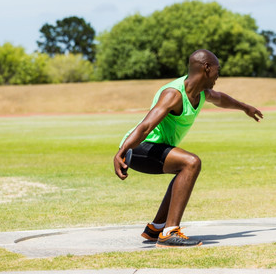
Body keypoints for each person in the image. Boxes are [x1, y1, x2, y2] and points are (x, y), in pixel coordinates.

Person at [113, 49, 263, 248]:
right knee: (190, 163)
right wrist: (122, 151)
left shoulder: (201, 94)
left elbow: (220, 98)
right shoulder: (173, 94)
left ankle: (156, 228)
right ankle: (170, 233)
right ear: (206, 68)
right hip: (139, 147)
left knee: (183, 169)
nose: (219, 74)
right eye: (217, 69)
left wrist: (245, 107)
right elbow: (146, 126)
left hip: (152, 147)